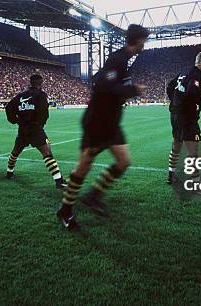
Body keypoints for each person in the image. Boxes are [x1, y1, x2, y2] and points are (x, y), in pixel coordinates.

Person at [57, 24, 149, 230]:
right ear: (138, 40)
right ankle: (65, 210)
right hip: (97, 122)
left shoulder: (126, 60)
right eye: (145, 40)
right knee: (83, 166)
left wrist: (128, 90)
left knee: (124, 161)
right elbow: (102, 85)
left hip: (111, 121)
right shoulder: (117, 59)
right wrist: (132, 89)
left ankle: (93, 196)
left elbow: (107, 83)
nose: (146, 44)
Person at [4, 74, 67, 189]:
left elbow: (8, 108)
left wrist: (15, 120)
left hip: (22, 129)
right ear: (40, 83)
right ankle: (59, 181)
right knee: (47, 154)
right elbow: (44, 112)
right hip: (35, 129)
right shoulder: (41, 95)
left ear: (30, 82)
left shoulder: (20, 96)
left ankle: (9, 173)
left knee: (15, 152)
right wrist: (40, 124)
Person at [167, 51, 201, 186]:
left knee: (176, 144)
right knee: (193, 151)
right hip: (186, 118)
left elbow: (170, 86)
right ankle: (196, 181)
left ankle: (171, 175)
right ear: (199, 62)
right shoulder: (195, 76)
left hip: (175, 115)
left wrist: (175, 102)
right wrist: (194, 108)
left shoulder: (184, 72)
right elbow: (191, 94)